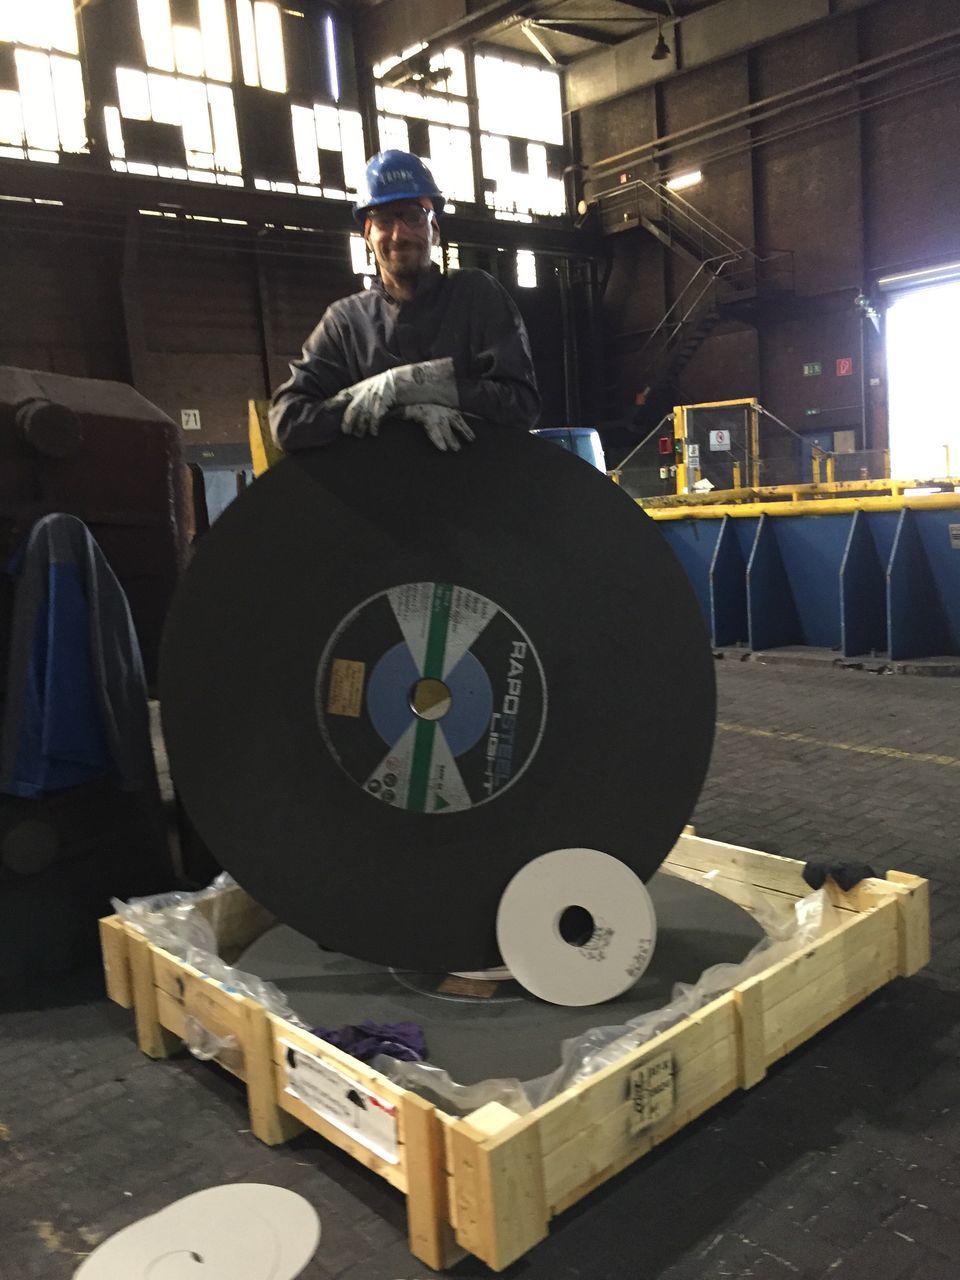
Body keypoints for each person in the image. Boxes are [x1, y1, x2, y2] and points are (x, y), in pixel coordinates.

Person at [269, 150, 541, 454]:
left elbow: (521, 405)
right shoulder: (346, 323)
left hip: (479, 492)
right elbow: (288, 422)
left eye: (413, 216)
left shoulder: (475, 296)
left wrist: (411, 385)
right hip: (382, 497)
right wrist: (395, 408)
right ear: (368, 235)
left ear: (434, 230)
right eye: (384, 220)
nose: (399, 234)